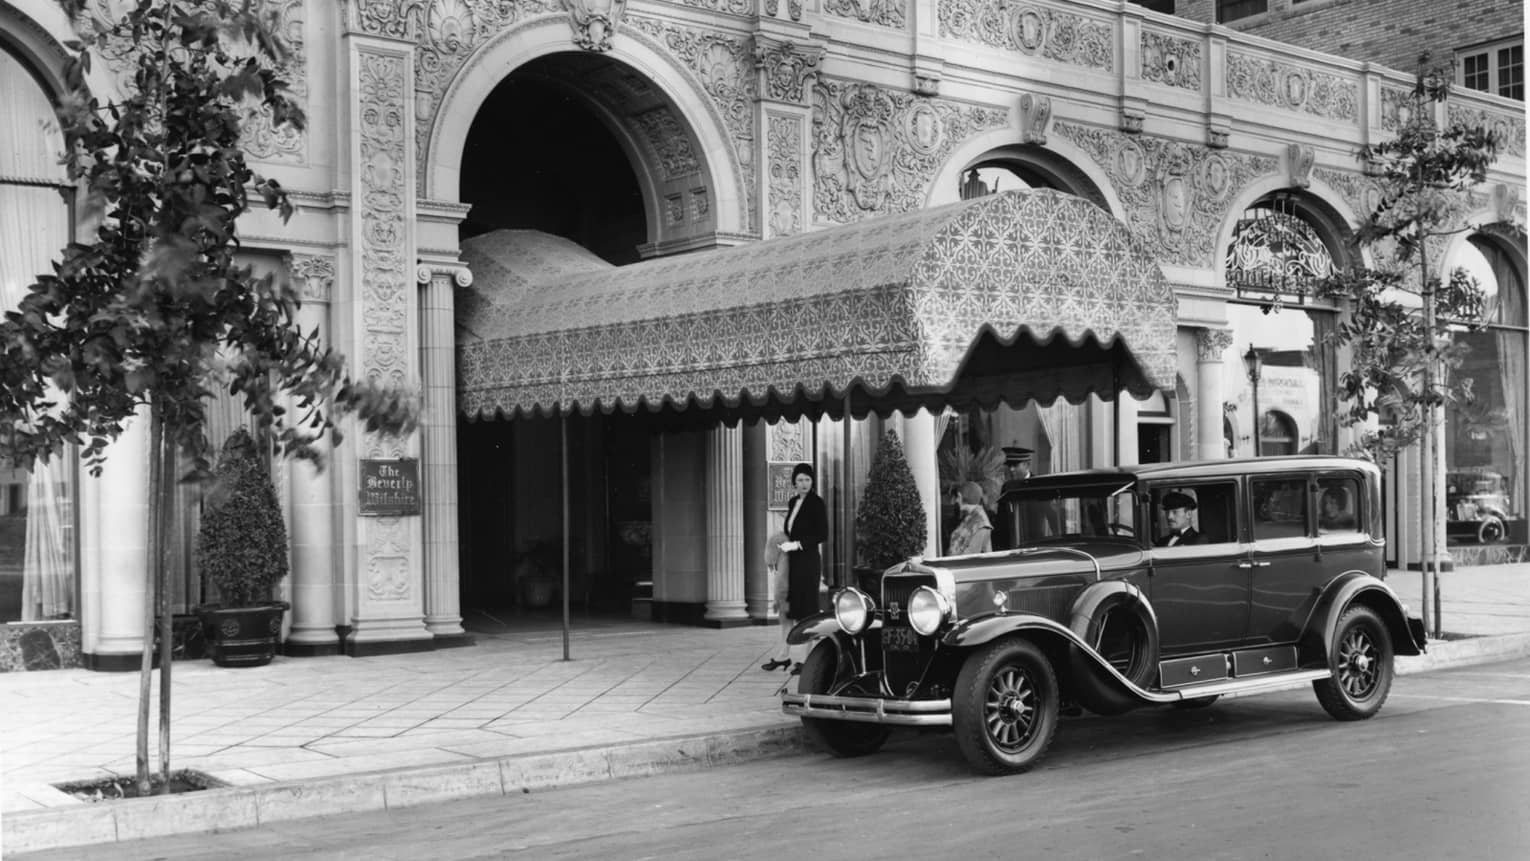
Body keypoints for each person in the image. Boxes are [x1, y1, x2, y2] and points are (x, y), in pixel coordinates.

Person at [761, 462, 827, 672]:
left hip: (808, 563)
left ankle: (808, 660)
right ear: (794, 483)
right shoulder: (793, 502)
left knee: (808, 611)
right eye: (800, 480)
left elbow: (822, 534)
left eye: (807, 479)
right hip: (791, 563)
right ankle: (783, 656)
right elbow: (790, 531)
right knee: (787, 609)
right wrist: (778, 548)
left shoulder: (817, 503)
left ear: (812, 481)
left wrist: (797, 544)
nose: (804, 483)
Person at [947, 481, 993, 555]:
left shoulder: (980, 524)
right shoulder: (971, 516)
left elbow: (969, 558)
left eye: (958, 497)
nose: (957, 501)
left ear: (962, 497)